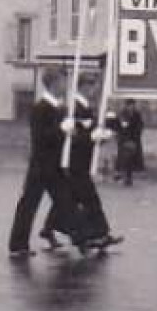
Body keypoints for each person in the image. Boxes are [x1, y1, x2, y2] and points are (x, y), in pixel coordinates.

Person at [6, 67, 101, 258]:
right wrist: (61, 129)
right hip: (40, 166)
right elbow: (40, 138)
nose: (66, 85)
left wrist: (80, 131)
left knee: (67, 204)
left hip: (55, 166)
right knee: (28, 205)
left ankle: (82, 241)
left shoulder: (61, 108)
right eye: (63, 81)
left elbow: (68, 134)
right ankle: (18, 244)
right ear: (53, 83)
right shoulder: (39, 108)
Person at [44, 71, 122, 249]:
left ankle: (49, 228)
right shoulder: (72, 108)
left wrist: (101, 135)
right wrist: (91, 137)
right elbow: (72, 136)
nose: (95, 91)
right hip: (73, 161)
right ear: (85, 87)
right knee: (90, 199)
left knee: (68, 199)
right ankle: (101, 234)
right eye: (93, 86)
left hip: (83, 161)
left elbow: (89, 132)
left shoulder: (86, 107)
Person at [113, 98, 145, 186]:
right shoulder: (122, 114)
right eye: (130, 105)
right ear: (126, 105)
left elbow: (140, 125)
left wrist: (136, 134)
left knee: (130, 158)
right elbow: (117, 125)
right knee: (123, 157)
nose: (131, 107)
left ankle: (128, 176)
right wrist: (120, 135)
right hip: (124, 139)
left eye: (133, 105)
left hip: (134, 139)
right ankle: (119, 172)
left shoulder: (137, 114)